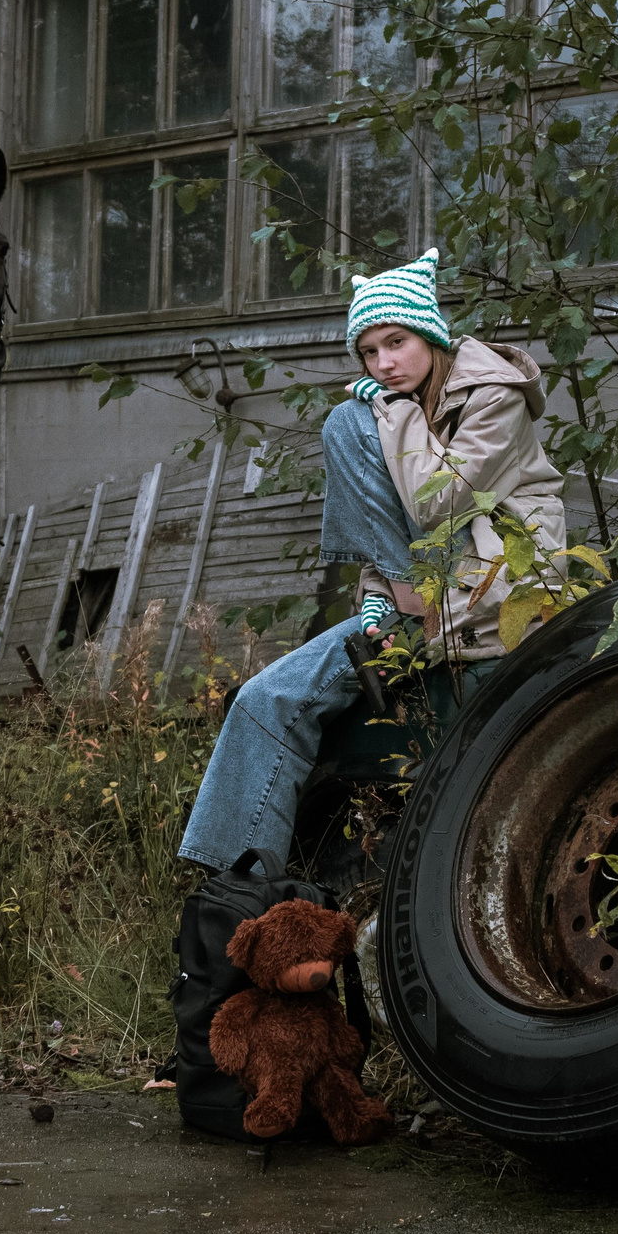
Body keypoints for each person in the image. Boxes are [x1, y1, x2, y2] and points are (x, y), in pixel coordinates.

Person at [174, 248, 567, 874]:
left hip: (491, 593)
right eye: (369, 352)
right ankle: (235, 887)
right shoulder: (389, 404)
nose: (383, 364)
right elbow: (385, 528)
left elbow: (437, 504)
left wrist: (391, 412)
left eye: (396, 342)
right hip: (416, 602)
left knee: (349, 423)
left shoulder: (497, 398)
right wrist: (378, 600)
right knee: (264, 698)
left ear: (431, 336)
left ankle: (409, 605)